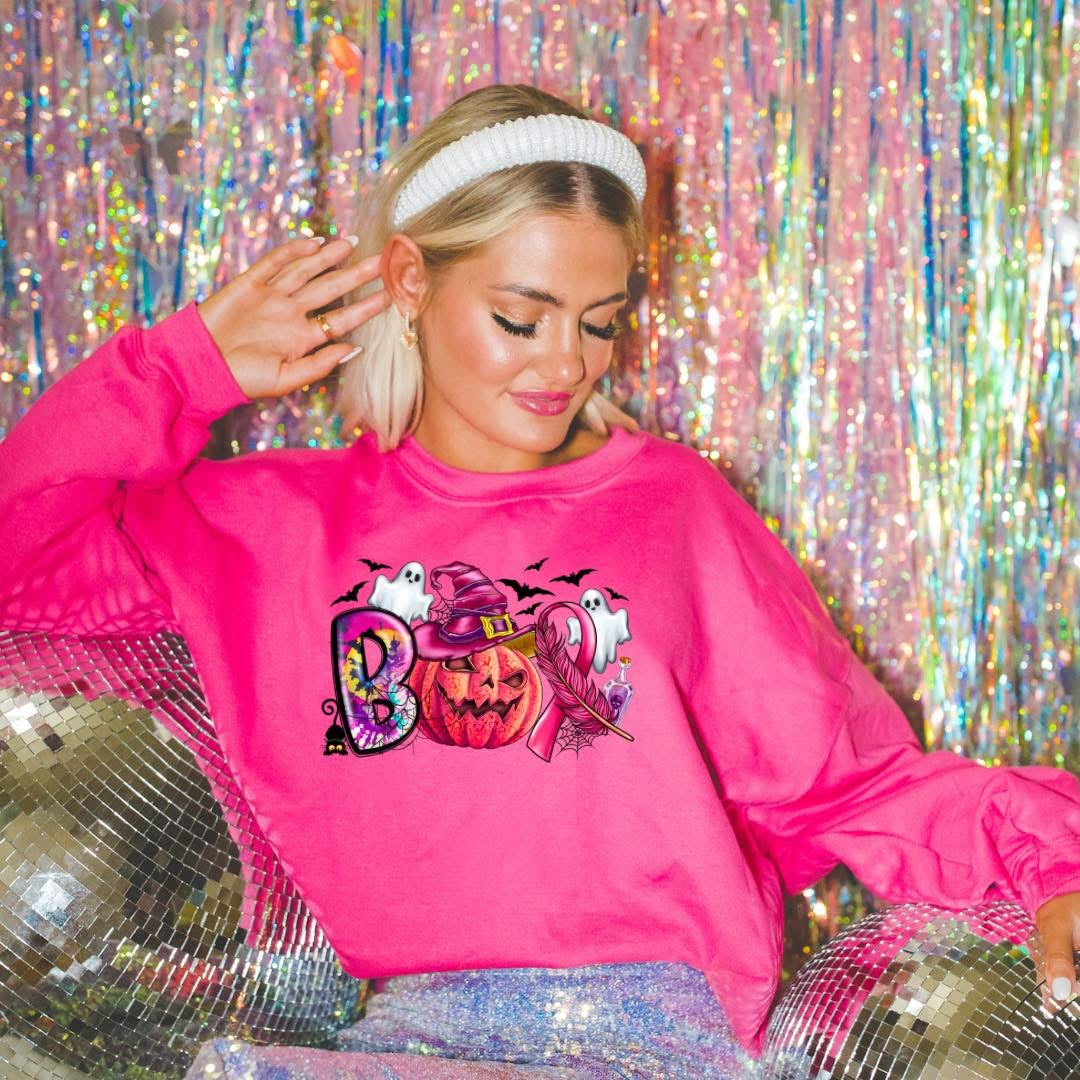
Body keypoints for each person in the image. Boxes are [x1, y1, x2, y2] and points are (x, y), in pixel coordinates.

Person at [1, 83, 1078, 1079]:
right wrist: (181, 367)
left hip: (656, 1041)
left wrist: (1056, 864)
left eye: (599, 321)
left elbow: (851, 783)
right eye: (522, 318)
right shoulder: (265, 527)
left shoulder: (674, 507)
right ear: (410, 280)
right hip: (398, 1042)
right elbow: (19, 561)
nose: (566, 363)